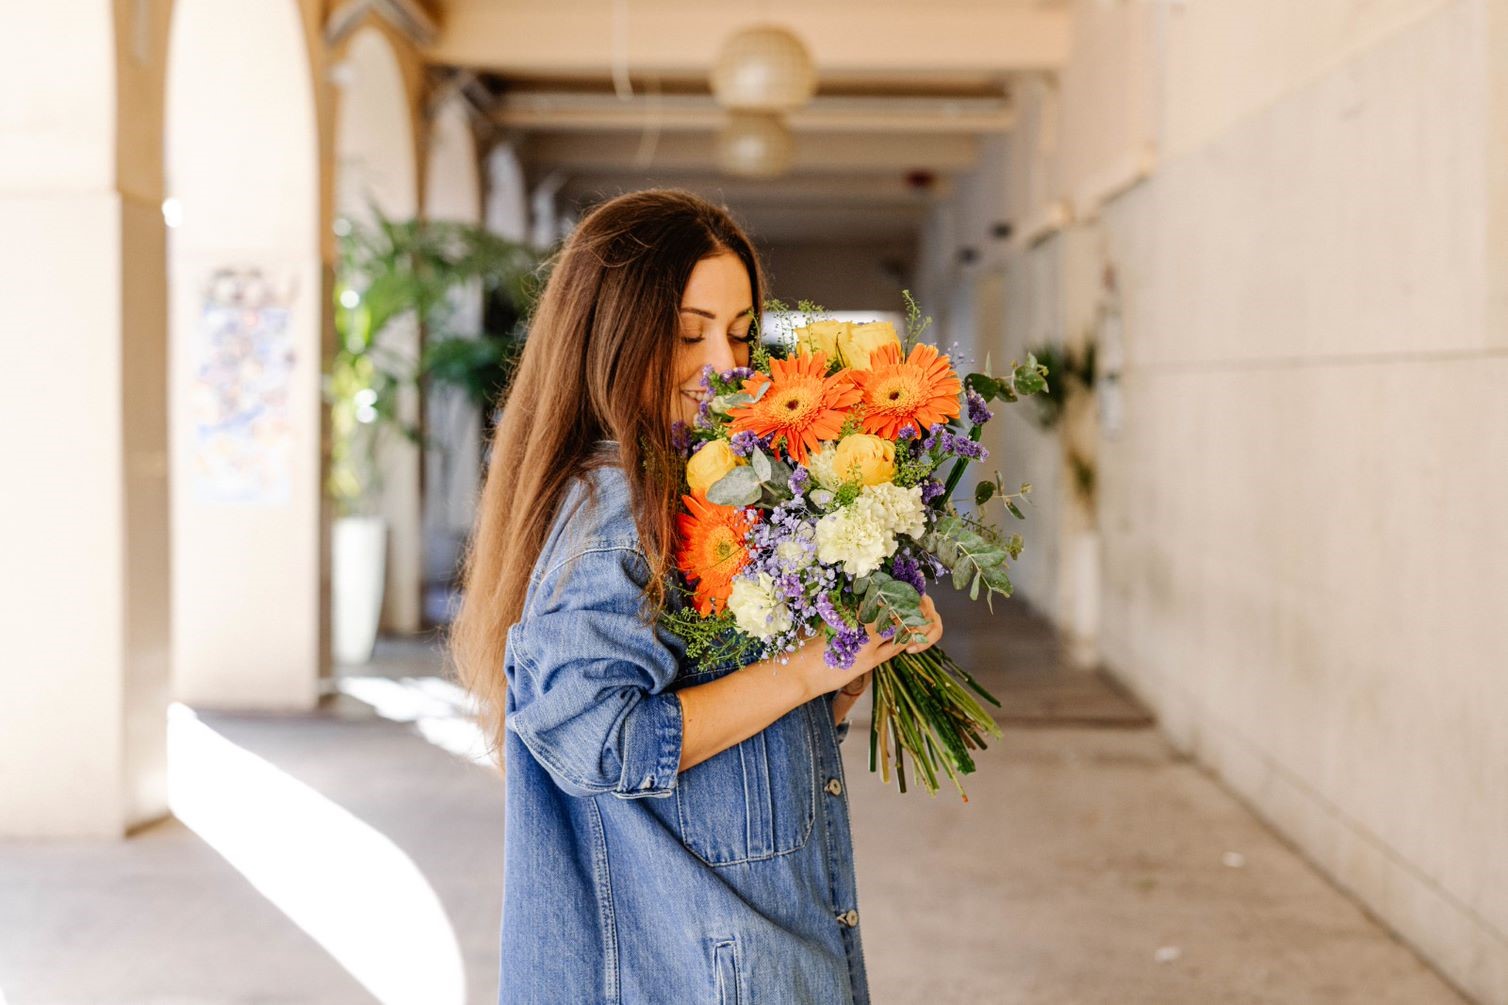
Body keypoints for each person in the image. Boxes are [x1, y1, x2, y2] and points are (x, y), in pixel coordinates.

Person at [449, 188, 943, 1005]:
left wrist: (847, 671)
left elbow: (723, 761)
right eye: (688, 334)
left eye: (742, 334)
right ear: (611, 337)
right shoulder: (615, 507)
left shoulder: (689, 489)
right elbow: (598, 742)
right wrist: (804, 669)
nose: (726, 366)